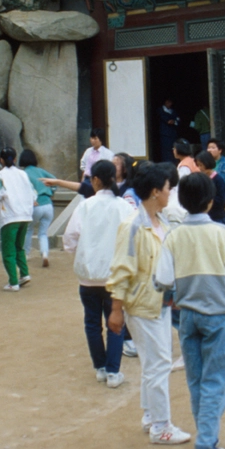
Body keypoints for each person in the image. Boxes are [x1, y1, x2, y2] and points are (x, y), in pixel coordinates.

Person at [154, 173, 225, 449]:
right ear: (211, 203)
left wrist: (169, 295)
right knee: (215, 380)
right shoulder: (222, 234)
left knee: (196, 379)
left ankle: (207, 434)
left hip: (187, 317)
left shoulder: (174, 236)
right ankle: (206, 442)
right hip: (218, 316)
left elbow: (162, 280)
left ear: (182, 202)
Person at [106, 163, 192, 446]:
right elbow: (121, 269)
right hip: (142, 305)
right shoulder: (132, 226)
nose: (171, 193)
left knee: (153, 363)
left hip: (161, 304)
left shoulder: (162, 222)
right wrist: (116, 310)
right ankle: (161, 426)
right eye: (168, 188)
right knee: (159, 364)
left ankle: (150, 416)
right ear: (156, 191)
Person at [63, 159, 136, 387]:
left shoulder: (84, 206)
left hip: (88, 275)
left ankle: (100, 367)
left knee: (92, 322)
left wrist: (80, 255)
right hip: (115, 275)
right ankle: (114, 371)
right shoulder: (124, 207)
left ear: (95, 180)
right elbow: (135, 236)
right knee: (116, 322)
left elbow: (70, 238)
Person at [0, 147, 37, 291]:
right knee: (19, 247)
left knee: (8, 250)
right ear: (15, 159)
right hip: (25, 215)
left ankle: (13, 282)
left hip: (10, 216)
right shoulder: (23, 174)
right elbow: (33, 193)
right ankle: (24, 274)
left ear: (1, 160)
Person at [19, 149, 57, 267]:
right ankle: (44, 254)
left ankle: (25, 254)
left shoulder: (24, 173)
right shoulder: (40, 171)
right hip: (48, 205)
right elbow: (55, 180)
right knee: (43, 233)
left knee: (28, 230)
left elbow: (23, 190)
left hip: (36, 205)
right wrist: (52, 191)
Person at [78, 128, 115, 197]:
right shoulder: (88, 151)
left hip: (98, 180)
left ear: (100, 139)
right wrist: (83, 178)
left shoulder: (107, 153)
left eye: (95, 138)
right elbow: (84, 165)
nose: (92, 140)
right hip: (87, 178)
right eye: (91, 138)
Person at [196, 150, 225, 224]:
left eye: (201, 165)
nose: (199, 168)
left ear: (207, 163)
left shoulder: (218, 180)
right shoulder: (201, 179)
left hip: (217, 217)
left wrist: (207, 199)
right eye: (198, 165)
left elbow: (221, 200)